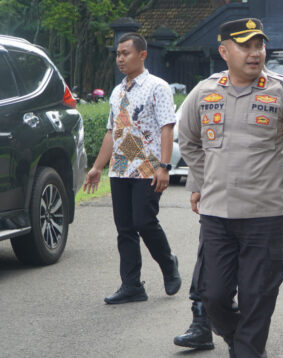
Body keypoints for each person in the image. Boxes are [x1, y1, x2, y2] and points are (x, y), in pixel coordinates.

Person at [178, 18, 283, 357]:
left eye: (259, 45)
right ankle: (242, 341)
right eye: (246, 45)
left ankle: (247, 350)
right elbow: (189, 140)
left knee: (258, 296)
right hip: (216, 213)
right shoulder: (204, 91)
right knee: (212, 295)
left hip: (264, 214)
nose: (255, 53)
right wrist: (200, 181)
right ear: (224, 51)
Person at [83, 32, 181, 304]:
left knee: (144, 221)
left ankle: (168, 263)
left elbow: (166, 128)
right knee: (124, 228)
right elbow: (110, 133)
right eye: (118, 54)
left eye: (126, 53)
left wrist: (164, 167)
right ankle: (132, 285)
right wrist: (97, 167)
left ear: (142, 55)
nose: (120, 58)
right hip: (120, 170)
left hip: (148, 169)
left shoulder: (157, 87)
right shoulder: (117, 91)